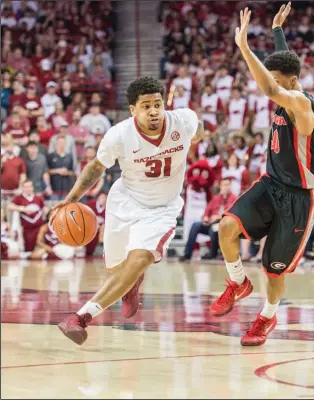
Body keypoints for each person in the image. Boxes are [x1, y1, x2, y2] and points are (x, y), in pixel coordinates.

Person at [54, 76, 205, 345]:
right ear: (133, 110)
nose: (154, 111)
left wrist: (197, 136)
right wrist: (71, 199)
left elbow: (199, 128)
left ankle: (80, 317)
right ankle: (130, 284)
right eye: (146, 106)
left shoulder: (182, 121)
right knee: (117, 267)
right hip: (124, 202)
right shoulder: (119, 134)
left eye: (157, 104)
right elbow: (95, 169)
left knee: (140, 259)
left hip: (161, 209)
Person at [210, 4, 314, 347]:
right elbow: (281, 68)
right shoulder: (287, 79)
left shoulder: (301, 105)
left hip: (300, 199)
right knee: (226, 226)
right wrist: (276, 31)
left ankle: (266, 318)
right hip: (271, 184)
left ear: (291, 82)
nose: (268, 84)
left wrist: (244, 47)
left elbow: (273, 89)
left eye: (275, 79)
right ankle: (237, 283)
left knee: (274, 270)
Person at [180, 178, 237, 261]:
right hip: (211, 222)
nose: (226, 187)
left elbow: (233, 215)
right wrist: (206, 218)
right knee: (195, 226)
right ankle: (187, 254)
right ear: (220, 186)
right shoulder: (216, 198)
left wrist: (219, 217)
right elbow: (206, 211)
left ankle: (212, 254)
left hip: (224, 225)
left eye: (228, 185)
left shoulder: (234, 198)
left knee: (213, 229)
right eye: (224, 185)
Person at [8, 180, 45, 253]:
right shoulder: (19, 198)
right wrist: (23, 209)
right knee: (28, 250)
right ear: (23, 188)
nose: (28, 188)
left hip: (39, 229)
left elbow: (44, 209)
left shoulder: (38, 198)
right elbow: (10, 206)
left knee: (39, 250)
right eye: (26, 187)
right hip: (27, 230)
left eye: (30, 186)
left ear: (32, 187)